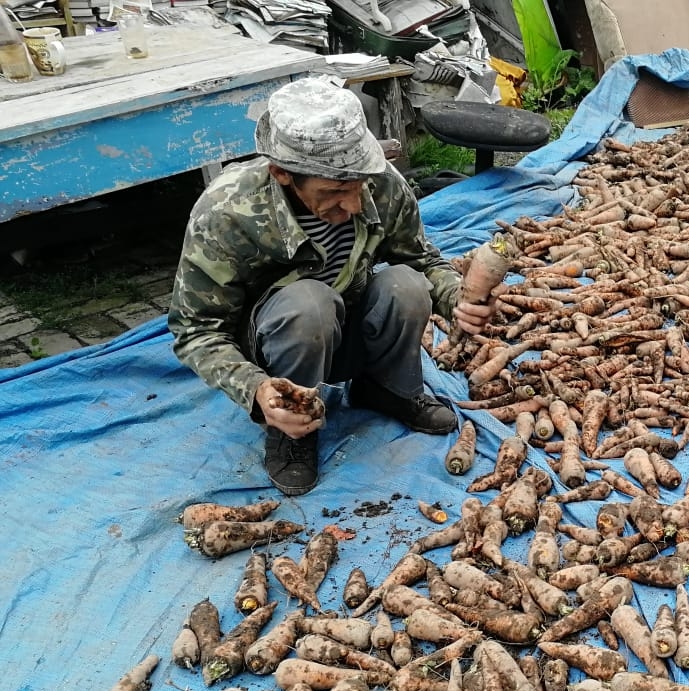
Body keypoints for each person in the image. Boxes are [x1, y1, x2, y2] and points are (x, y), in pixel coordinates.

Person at [168, 76, 495, 496]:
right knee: (309, 303)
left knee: (406, 285)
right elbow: (196, 330)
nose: (354, 204)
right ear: (282, 174)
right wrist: (255, 389)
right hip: (280, 345)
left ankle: (385, 389)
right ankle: (292, 427)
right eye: (335, 191)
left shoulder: (382, 183)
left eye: (358, 187)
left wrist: (455, 297)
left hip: (349, 326)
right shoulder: (227, 212)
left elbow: (422, 260)